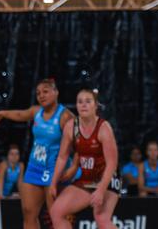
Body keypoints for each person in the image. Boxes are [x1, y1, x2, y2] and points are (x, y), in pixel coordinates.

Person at [0, 79, 76, 229]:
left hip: (53, 169)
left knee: (56, 214)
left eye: (45, 91)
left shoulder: (65, 116)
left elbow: (80, 144)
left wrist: (73, 167)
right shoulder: (36, 111)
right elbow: (20, 114)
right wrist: (2, 113)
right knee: (28, 212)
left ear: (56, 93)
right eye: (38, 93)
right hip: (35, 167)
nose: (41, 95)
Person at [49, 89, 120, 229]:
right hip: (88, 178)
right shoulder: (71, 127)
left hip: (107, 176)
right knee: (56, 212)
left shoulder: (103, 128)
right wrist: (53, 181)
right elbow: (63, 157)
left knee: (101, 218)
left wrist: (100, 189)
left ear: (95, 106)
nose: (83, 105)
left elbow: (112, 163)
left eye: (88, 101)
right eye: (80, 102)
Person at [0, 145, 24, 229]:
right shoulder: (4, 165)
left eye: (17, 154)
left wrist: (21, 195)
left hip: (6, 194)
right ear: (7, 155)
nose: (14, 157)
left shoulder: (21, 166)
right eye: (11, 154)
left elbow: (20, 183)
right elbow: (0, 180)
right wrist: (1, 195)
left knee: (21, 201)